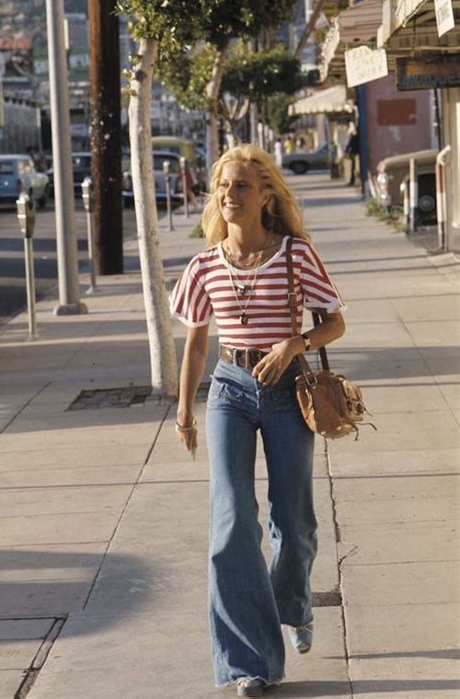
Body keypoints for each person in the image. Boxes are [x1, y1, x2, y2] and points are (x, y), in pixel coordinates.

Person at [170, 144, 345, 697]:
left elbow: (335, 323)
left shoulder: (295, 255)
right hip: (229, 392)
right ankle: (250, 662)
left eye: (242, 185)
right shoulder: (204, 265)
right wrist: (183, 408)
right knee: (231, 523)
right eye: (223, 186)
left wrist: (295, 343)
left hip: (288, 393)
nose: (229, 195)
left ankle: (291, 603)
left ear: (266, 194)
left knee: (292, 522)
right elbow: (197, 342)